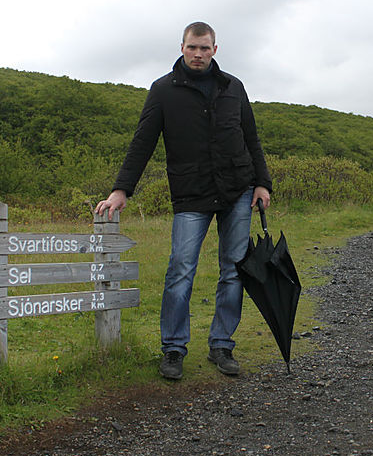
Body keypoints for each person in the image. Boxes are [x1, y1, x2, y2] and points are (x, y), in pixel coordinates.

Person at [94, 22, 272, 380]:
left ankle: (222, 345)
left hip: (237, 190)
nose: (198, 54)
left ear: (215, 50)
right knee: (180, 270)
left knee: (234, 270)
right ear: (182, 47)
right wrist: (121, 189)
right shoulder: (163, 90)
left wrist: (262, 183)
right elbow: (142, 141)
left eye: (205, 48)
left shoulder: (233, 87)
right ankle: (173, 349)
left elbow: (251, 137)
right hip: (192, 193)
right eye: (192, 47)